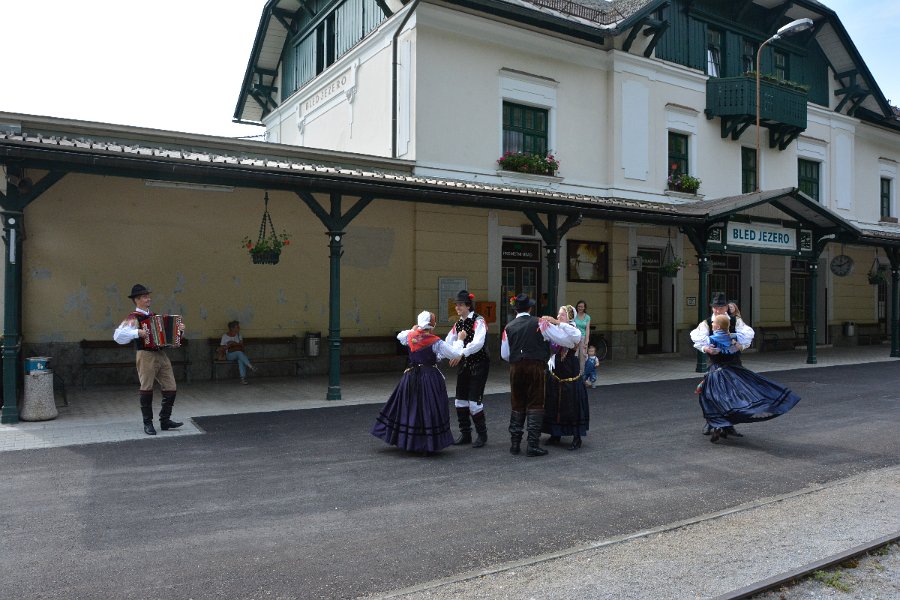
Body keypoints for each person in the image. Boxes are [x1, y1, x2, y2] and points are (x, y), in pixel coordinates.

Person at [695, 312, 801, 443]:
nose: (712, 324)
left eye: (713, 323)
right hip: (733, 372)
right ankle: (723, 425)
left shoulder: (711, 339)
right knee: (734, 398)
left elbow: (700, 342)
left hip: (716, 374)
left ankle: (719, 424)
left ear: (717, 326)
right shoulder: (735, 338)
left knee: (713, 398)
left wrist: (707, 348)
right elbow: (743, 342)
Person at [371, 311, 464, 454]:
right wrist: (460, 340)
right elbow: (455, 354)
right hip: (429, 377)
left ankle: (409, 441)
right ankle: (427, 442)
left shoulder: (409, 336)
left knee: (410, 407)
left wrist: (413, 329)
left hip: (411, 376)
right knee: (428, 407)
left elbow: (400, 336)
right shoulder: (435, 341)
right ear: (432, 325)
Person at [113, 284, 186, 435]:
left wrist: (179, 331)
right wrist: (136, 332)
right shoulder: (133, 317)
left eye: (148, 296)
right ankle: (148, 423)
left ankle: (165, 420)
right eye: (145, 297)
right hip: (145, 355)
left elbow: (171, 339)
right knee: (146, 389)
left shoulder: (155, 317)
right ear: (137, 300)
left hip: (161, 354)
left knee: (171, 387)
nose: (148, 299)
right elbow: (118, 336)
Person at [690, 293, 755, 436]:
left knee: (732, 395)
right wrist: (706, 348)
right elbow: (698, 340)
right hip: (716, 364)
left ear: (726, 307)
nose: (717, 310)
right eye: (715, 307)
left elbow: (747, 337)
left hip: (733, 363)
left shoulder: (735, 321)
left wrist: (741, 346)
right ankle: (712, 422)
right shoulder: (707, 323)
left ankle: (728, 424)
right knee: (712, 394)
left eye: (720, 307)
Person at [500, 293, 552, 457]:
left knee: (517, 403)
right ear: (530, 308)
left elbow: (504, 354)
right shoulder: (539, 322)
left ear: (516, 310)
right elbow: (558, 337)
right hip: (535, 366)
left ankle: (515, 444)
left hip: (516, 367)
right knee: (535, 403)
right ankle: (532, 445)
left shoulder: (508, 327)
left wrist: (518, 358)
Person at [446, 290, 491, 448]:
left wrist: (461, 353)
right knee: (460, 401)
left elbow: (478, 343)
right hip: (464, 365)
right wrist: (447, 352)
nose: (457, 307)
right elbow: (448, 341)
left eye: (460, 304)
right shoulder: (458, 324)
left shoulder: (479, 321)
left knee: (474, 402)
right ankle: (465, 434)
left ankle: (482, 435)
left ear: (468, 306)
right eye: (456, 304)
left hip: (479, 364)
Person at [541, 305, 589, 450]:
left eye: (562, 315)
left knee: (571, 403)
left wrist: (555, 322)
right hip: (557, 369)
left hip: (570, 369)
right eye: (558, 314)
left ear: (569, 317)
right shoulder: (556, 329)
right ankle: (555, 434)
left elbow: (574, 337)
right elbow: (546, 335)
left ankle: (576, 437)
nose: (558, 317)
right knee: (555, 401)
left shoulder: (573, 329)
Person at [220, 320, 257, 384]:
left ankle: (243, 379)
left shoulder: (239, 335)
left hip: (239, 354)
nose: (239, 328)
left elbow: (242, 347)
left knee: (240, 359)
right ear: (232, 328)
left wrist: (235, 343)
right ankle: (251, 367)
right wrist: (229, 345)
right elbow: (222, 348)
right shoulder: (225, 336)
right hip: (229, 355)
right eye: (237, 327)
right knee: (239, 353)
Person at [573, 300, 591, 372]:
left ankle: (582, 373)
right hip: (575, 338)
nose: (580, 308)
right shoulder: (574, 316)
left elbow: (587, 329)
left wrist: (587, 340)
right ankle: (574, 372)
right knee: (574, 355)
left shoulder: (587, 317)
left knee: (582, 356)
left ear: (584, 308)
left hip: (583, 337)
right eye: (579, 306)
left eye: (582, 307)